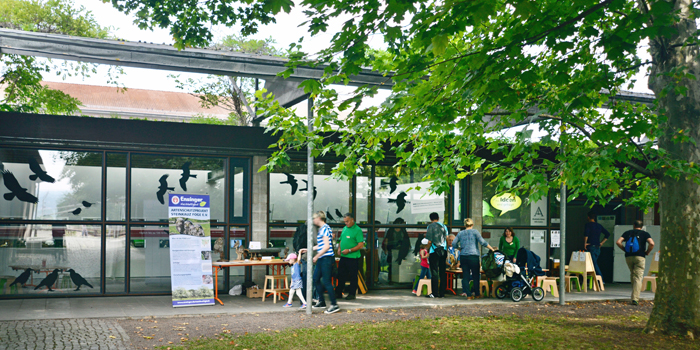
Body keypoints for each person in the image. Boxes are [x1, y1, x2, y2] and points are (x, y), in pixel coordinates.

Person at [453, 218, 496, 298]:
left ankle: (468, 295)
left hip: (464, 256)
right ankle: (477, 294)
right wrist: (492, 249)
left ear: (464, 225)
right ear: (472, 225)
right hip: (474, 256)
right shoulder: (475, 232)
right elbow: (483, 242)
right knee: (476, 276)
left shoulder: (460, 233)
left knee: (465, 276)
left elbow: (453, 243)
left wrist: (459, 248)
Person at [616, 220, 654, 305]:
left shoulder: (627, 233)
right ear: (642, 226)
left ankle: (634, 292)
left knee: (633, 274)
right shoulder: (645, 234)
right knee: (638, 277)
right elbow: (652, 243)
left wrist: (625, 250)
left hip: (628, 257)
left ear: (633, 225)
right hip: (640, 256)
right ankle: (635, 298)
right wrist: (647, 252)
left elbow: (618, 242)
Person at [311, 211, 340, 314]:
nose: (313, 220)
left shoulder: (325, 229)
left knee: (327, 281)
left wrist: (316, 256)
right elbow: (321, 245)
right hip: (322, 258)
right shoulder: (322, 229)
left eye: (314, 218)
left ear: (319, 218)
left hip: (326, 258)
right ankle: (322, 301)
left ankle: (334, 304)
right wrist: (309, 249)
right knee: (315, 278)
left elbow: (327, 246)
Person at [335, 213, 365, 300]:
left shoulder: (357, 230)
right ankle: (339, 292)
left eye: (347, 221)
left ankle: (352, 294)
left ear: (352, 220)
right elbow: (341, 240)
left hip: (353, 257)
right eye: (345, 221)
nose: (346, 223)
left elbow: (360, 245)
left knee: (352, 276)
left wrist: (350, 250)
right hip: (344, 256)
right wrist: (339, 248)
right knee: (341, 275)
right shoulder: (344, 228)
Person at [425, 212, 448, 298]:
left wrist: (427, 249)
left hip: (434, 251)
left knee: (434, 273)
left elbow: (429, 241)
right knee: (442, 272)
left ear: (430, 219)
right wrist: (447, 250)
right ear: (438, 218)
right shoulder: (444, 226)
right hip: (443, 251)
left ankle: (434, 293)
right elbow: (447, 238)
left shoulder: (430, 226)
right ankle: (442, 293)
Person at [584, 212, 611, 278]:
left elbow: (586, 234)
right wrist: (601, 243)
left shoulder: (588, 225)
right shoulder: (599, 226)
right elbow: (607, 234)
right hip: (597, 247)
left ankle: (600, 278)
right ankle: (596, 279)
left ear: (588, 217)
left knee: (593, 263)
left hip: (591, 246)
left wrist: (585, 243)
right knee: (594, 262)